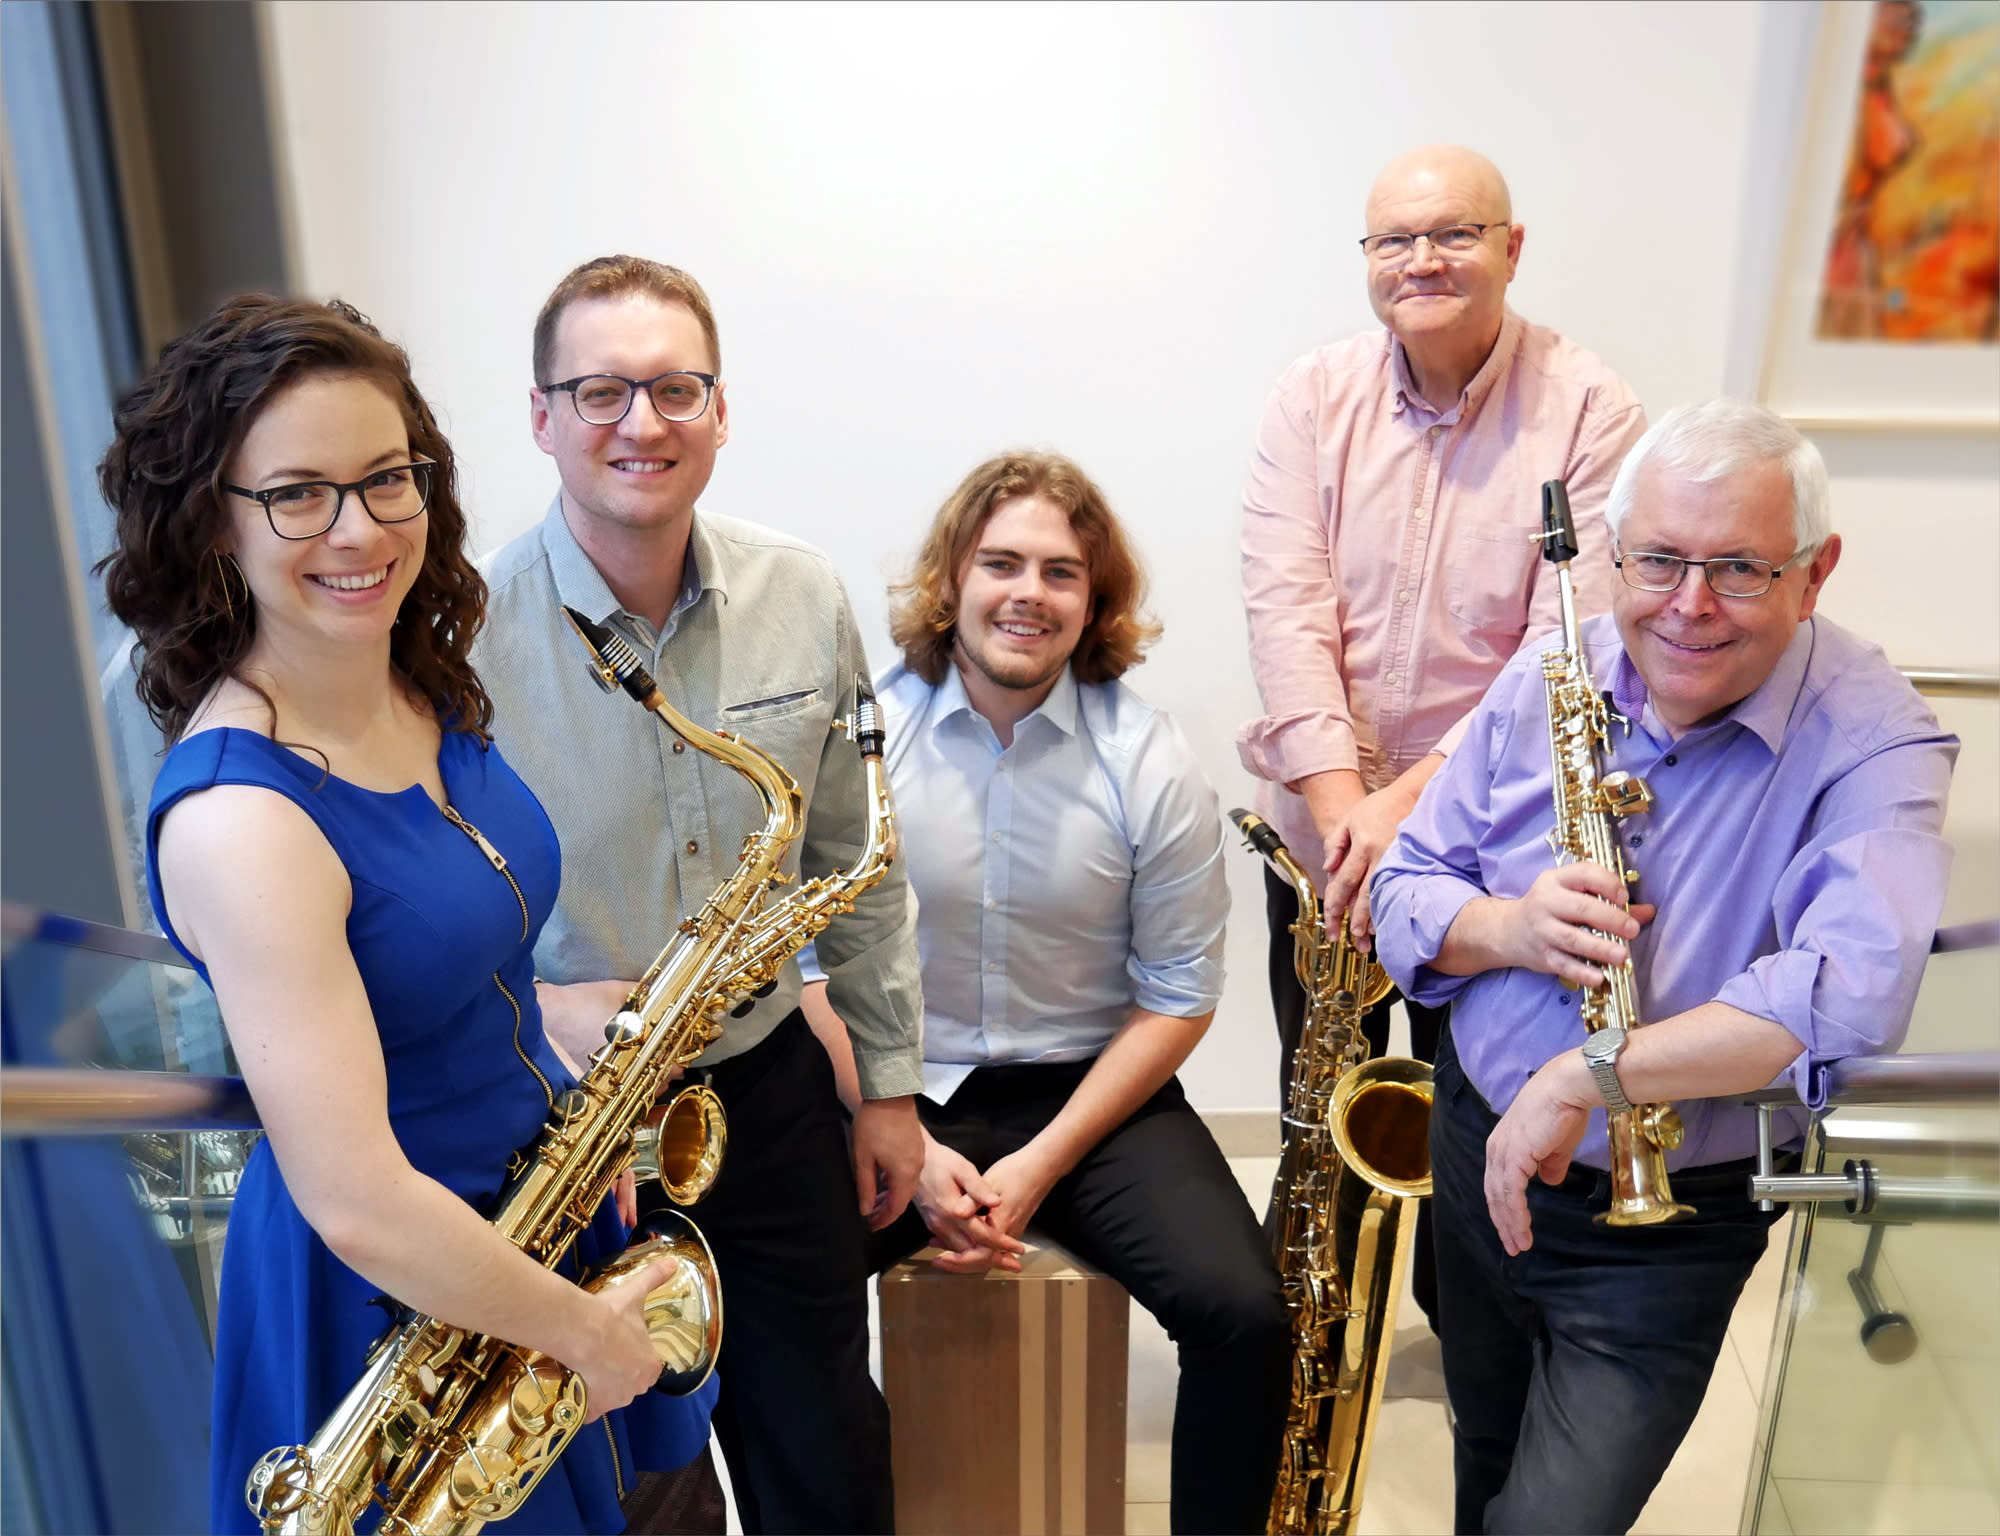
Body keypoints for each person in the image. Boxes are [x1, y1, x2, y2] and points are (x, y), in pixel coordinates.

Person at [99, 295, 715, 1535]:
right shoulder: (239, 818)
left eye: (387, 478)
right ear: (213, 522)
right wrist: (582, 1331)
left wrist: (560, 1052)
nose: (360, 529)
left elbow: (442, 958)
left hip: (526, 1217)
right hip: (399, 1314)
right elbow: (358, 1200)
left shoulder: (412, 678)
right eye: (298, 494)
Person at [1369, 399, 1957, 1535]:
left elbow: (1849, 993)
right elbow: (1406, 885)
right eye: (1658, 561)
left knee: (1556, 1521)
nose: (1688, 606)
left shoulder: (1877, 741)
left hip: (1673, 1220)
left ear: (1813, 572)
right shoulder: (1551, 670)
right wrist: (1510, 928)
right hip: (1479, 1144)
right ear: (1614, 553)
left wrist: (1584, 1075)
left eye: (1738, 569)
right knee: (1482, 1445)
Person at [474, 256, 923, 1535]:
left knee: (825, 1454)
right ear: (542, 416)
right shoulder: (458, 635)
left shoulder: (802, 591)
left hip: (766, 1092)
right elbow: (417, 901)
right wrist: (538, 1012)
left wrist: (888, 1089)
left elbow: (855, 858)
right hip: (570, 1124)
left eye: (676, 389)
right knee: (640, 1493)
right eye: (601, 391)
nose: (642, 422)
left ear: (720, 412)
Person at [1237, 142, 1647, 1329]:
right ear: (1366, 259)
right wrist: (1343, 822)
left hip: (1487, 844)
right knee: (1319, 1104)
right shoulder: (1309, 396)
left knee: (1467, 1107)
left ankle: (1463, 1330)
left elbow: (1558, 649)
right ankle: (1314, 1343)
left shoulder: (1591, 410)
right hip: (1321, 838)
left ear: (1509, 249)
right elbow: (1286, 610)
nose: (1421, 260)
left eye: (1453, 234)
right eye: (1394, 240)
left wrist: (1399, 808)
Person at [866, 450, 1291, 1535]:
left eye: (1061, 572)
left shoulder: (1149, 756)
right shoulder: (867, 739)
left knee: (1245, 1316)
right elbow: (812, 961)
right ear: (951, 579)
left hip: (1091, 1096)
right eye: (1001, 562)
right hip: (893, 1087)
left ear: (1093, 601)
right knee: (772, 1296)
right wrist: (903, 1133)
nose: (1030, 593)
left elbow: (1180, 993)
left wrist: (1045, 1159)